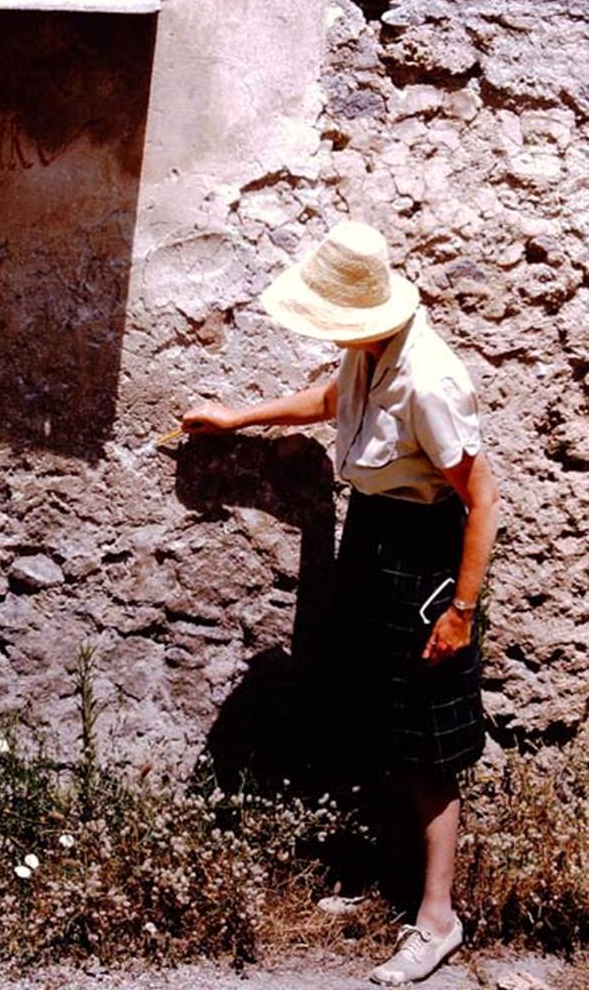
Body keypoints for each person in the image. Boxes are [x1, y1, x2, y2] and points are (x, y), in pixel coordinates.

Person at [180, 220, 500, 986]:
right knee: (380, 721)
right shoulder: (371, 350)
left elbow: (482, 499)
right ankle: (390, 877)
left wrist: (458, 611)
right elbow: (334, 398)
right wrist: (239, 417)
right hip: (372, 539)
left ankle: (436, 919)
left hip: (423, 556)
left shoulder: (430, 378)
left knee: (428, 743)